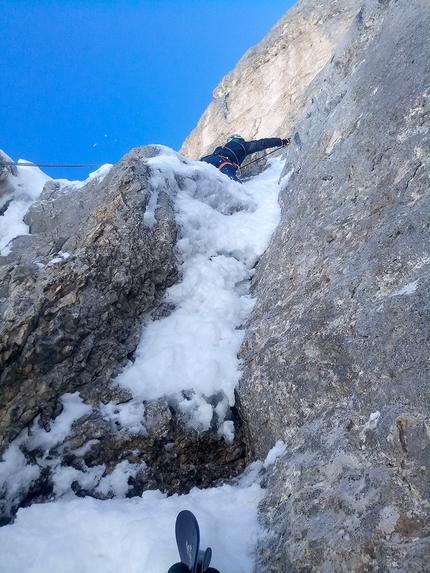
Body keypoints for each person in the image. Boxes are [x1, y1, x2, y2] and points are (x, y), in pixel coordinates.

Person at [200, 134, 290, 181]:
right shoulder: (243, 145)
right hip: (224, 164)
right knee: (236, 191)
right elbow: (262, 143)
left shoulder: (221, 149)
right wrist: (281, 142)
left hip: (207, 160)